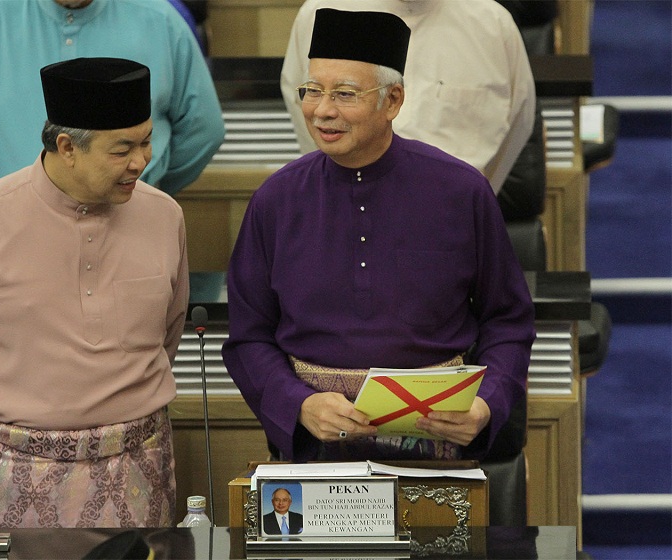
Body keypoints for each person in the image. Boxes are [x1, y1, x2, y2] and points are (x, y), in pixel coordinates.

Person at [222, 8, 535, 464]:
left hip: (436, 447)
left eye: (345, 94)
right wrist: (299, 404)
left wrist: (486, 404)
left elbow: (507, 321)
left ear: (392, 101)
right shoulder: (276, 200)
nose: (322, 110)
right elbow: (248, 337)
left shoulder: (461, 191)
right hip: (316, 447)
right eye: (312, 91)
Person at [0, 57, 190, 529]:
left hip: (137, 468)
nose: (141, 161)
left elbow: (168, 331)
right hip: (15, 470)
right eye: (122, 148)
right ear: (67, 146)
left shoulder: (165, 217)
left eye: (147, 141)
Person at [0, 0, 225, 212]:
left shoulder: (160, 18)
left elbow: (203, 129)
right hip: (10, 226)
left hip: (127, 224)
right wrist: (8, 189)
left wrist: (138, 182)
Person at [280, 0, 535, 194]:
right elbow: (307, 110)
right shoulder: (322, 11)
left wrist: (469, 199)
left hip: (451, 217)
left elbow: (518, 121)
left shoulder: (493, 23)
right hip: (345, 205)